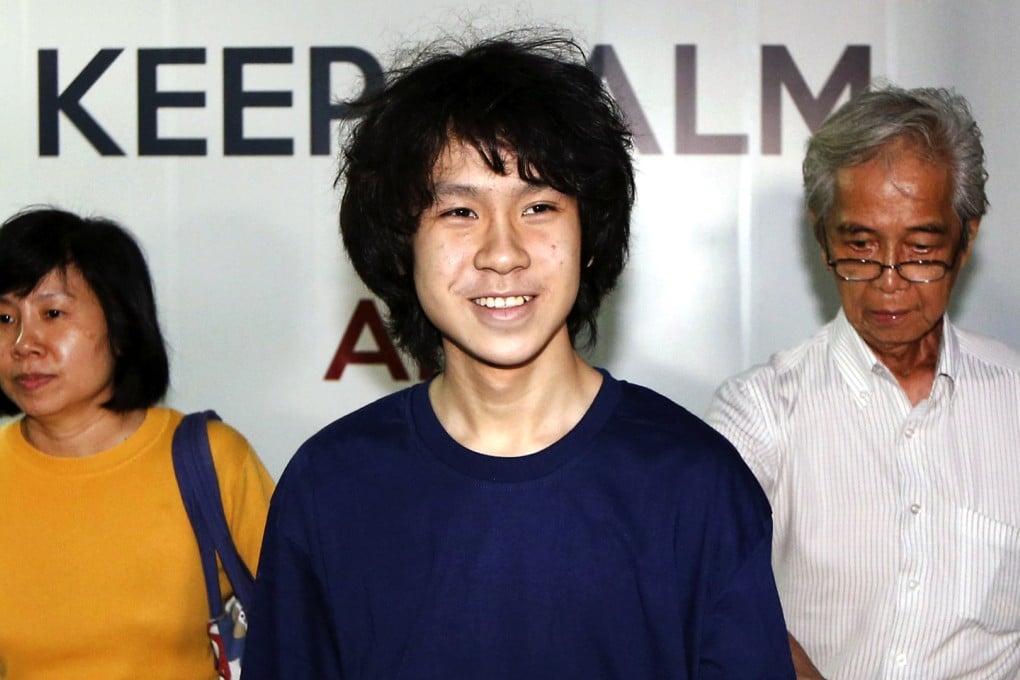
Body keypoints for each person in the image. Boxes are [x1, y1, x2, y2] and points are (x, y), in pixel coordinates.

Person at [244, 31, 794, 678]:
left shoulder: (694, 481)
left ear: (590, 236)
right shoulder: (330, 484)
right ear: (401, 246)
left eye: (538, 206)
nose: (502, 253)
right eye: (458, 212)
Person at [707, 84, 1020, 678]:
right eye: (860, 246)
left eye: (922, 249)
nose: (889, 281)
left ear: (967, 237)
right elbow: (707, 589)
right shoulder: (761, 410)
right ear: (822, 233)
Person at [0, 207, 275, 679]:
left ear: (121, 326)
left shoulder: (209, 459)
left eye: (53, 313)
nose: (25, 343)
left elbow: (312, 624)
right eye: (4, 317)